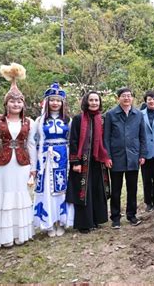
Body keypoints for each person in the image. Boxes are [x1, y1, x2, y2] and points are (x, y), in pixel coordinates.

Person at [0, 63, 36, 247]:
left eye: (19, 101)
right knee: (3, 196)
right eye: (12, 101)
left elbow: (31, 144)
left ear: (23, 104)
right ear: (6, 103)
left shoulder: (29, 122)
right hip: (1, 164)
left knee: (20, 196)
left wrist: (34, 168)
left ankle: (21, 234)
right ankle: (4, 237)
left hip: (22, 164)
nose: (16, 104)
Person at [66, 91, 112, 233]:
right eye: (91, 100)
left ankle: (97, 219)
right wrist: (75, 162)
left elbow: (106, 140)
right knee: (84, 192)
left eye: (96, 100)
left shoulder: (102, 119)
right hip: (83, 162)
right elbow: (73, 140)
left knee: (97, 190)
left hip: (98, 161)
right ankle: (84, 223)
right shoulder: (78, 119)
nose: (94, 103)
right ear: (86, 102)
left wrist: (106, 157)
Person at [33, 83, 74, 237]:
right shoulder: (39, 121)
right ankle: (48, 222)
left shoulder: (67, 121)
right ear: (47, 102)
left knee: (61, 189)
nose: (55, 103)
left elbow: (71, 140)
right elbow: (33, 142)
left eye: (58, 100)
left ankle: (61, 221)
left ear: (62, 103)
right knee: (46, 189)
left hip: (63, 157)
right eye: (52, 100)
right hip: (44, 159)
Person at [104, 88, 147, 228]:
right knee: (116, 189)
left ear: (132, 98)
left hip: (133, 156)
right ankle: (115, 217)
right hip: (116, 157)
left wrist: (142, 154)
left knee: (132, 188)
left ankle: (131, 215)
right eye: (124, 96)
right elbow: (106, 138)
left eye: (129, 96)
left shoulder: (138, 114)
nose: (127, 98)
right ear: (118, 98)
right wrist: (107, 156)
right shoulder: (110, 114)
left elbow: (142, 136)